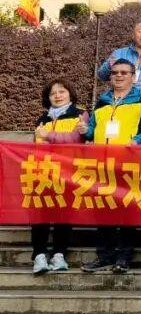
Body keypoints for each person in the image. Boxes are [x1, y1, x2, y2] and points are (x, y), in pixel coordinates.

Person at [80, 59, 141, 273]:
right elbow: (93, 130)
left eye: (124, 72)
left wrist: (137, 141)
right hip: (102, 164)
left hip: (128, 164)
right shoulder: (102, 102)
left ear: (133, 76)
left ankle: (123, 257)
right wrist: (85, 130)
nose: (119, 76)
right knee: (103, 211)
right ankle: (104, 256)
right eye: (114, 73)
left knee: (127, 211)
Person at [31, 79, 86, 274]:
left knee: (63, 213)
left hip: (68, 172)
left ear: (70, 94)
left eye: (62, 91)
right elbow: (36, 144)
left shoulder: (80, 115)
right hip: (43, 171)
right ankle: (39, 255)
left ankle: (59, 254)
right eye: (53, 93)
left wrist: (49, 135)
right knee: (40, 213)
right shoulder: (42, 119)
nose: (57, 96)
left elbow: (74, 139)